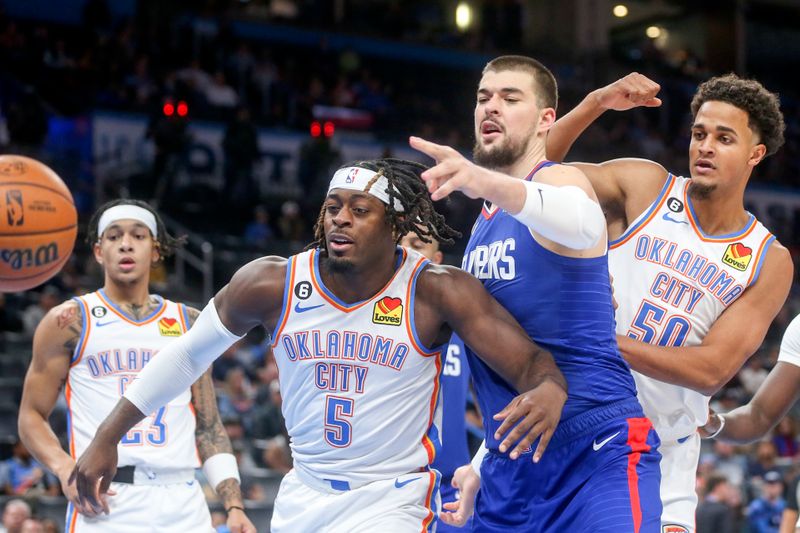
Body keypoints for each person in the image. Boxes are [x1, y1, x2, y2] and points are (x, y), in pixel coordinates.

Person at [70, 158, 568, 532]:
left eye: (359, 210)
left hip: (391, 500)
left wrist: (548, 387)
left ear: (395, 226)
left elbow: (530, 364)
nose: (340, 220)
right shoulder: (270, 283)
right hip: (302, 494)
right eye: (332, 208)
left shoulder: (435, 290)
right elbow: (183, 357)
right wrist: (106, 437)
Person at [410, 55, 662, 531]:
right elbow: (506, 366)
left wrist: (478, 177)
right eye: (483, 98)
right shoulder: (482, 232)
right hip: (511, 464)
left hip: (595, 449)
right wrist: (481, 464)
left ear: (546, 118)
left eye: (510, 98)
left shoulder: (557, 182)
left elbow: (581, 220)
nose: (491, 107)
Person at [543, 71, 794, 531]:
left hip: (661, 450)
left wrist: (597, 338)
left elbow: (711, 369)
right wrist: (597, 101)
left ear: (756, 153)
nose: (705, 147)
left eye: (724, 138)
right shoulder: (646, 187)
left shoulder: (767, 259)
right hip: (575, 415)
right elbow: (536, 173)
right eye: (699, 134)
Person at [17, 199, 256, 533]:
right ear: (99, 252)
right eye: (114, 237)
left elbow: (208, 425)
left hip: (183, 501)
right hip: (106, 497)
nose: (126, 243)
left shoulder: (188, 322)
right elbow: (30, 416)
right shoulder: (68, 321)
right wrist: (63, 466)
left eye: (138, 236)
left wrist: (233, 505)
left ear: (156, 251)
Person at [400, 231, 475, 533]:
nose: (406, 251)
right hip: (392, 484)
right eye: (400, 243)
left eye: (418, 245)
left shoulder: (468, 321)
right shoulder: (365, 320)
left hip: (451, 483)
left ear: (437, 260)